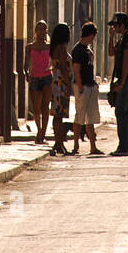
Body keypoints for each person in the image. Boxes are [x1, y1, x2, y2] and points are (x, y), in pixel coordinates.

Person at [108, 13, 128, 155]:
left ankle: (124, 146)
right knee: (127, 112)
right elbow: (110, 52)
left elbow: (127, 61)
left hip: (127, 80)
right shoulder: (123, 38)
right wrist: (111, 36)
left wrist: (122, 82)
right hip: (126, 80)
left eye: (115, 25)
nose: (114, 28)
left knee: (121, 111)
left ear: (122, 24)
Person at [71, 22, 102, 155]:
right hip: (82, 86)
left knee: (90, 117)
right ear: (90, 35)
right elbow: (76, 69)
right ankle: (76, 145)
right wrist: (80, 87)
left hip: (90, 85)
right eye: (93, 36)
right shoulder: (78, 49)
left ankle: (93, 147)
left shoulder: (88, 49)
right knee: (79, 116)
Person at [24, 20, 52, 143]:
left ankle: (43, 134)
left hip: (47, 78)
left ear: (46, 31)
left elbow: (54, 61)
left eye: (44, 29)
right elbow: (25, 64)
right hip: (34, 78)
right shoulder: (29, 47)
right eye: (39, 29)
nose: (41, 31)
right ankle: (39, 130)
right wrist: (27, 74)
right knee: (36, 108)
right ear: (35, 31)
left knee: (45, 107)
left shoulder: (50, 46)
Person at [49, 23, 74, 155]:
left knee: (58, 115)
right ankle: (59, 143)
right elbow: (64, 68)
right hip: (61, 84)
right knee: (59, 115)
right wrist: (68, 85)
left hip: (56, 84)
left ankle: (59, 143)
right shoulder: (62, 48)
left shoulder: (54, 47)